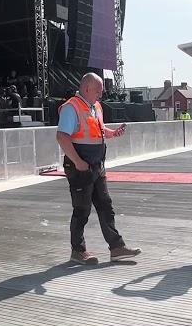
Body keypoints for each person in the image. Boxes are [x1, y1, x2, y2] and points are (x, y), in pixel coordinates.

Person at [56, 72, 142, 265]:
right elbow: (62, 137)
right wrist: (78, 162)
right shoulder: (72, 108)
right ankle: (78, 250)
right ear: (86, 88)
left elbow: (98, 132)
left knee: (106, 206)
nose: (101, 95)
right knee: (82, 210)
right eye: (98, 90)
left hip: (97, 166)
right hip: (80, 168)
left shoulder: (95, 107)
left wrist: (113, 134)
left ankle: (117, 247)